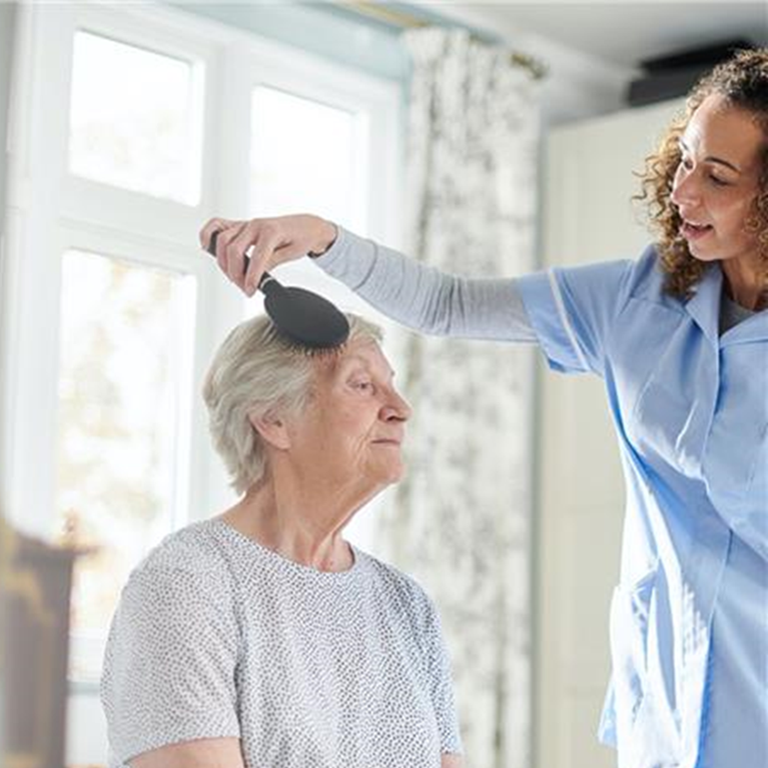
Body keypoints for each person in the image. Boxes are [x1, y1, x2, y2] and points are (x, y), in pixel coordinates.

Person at [200, 49, 768, 768]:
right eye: (685, 159)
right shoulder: (636, 299)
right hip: (666, 696)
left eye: (718, 178)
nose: (684, 191)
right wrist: (324, 240)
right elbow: (448, 303)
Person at [100, 314, 464, 768]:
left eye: (390, 384)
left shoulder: (406, 604)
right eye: (362, 386)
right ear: (274, 420)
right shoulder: (184, 586)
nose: (400, 408)